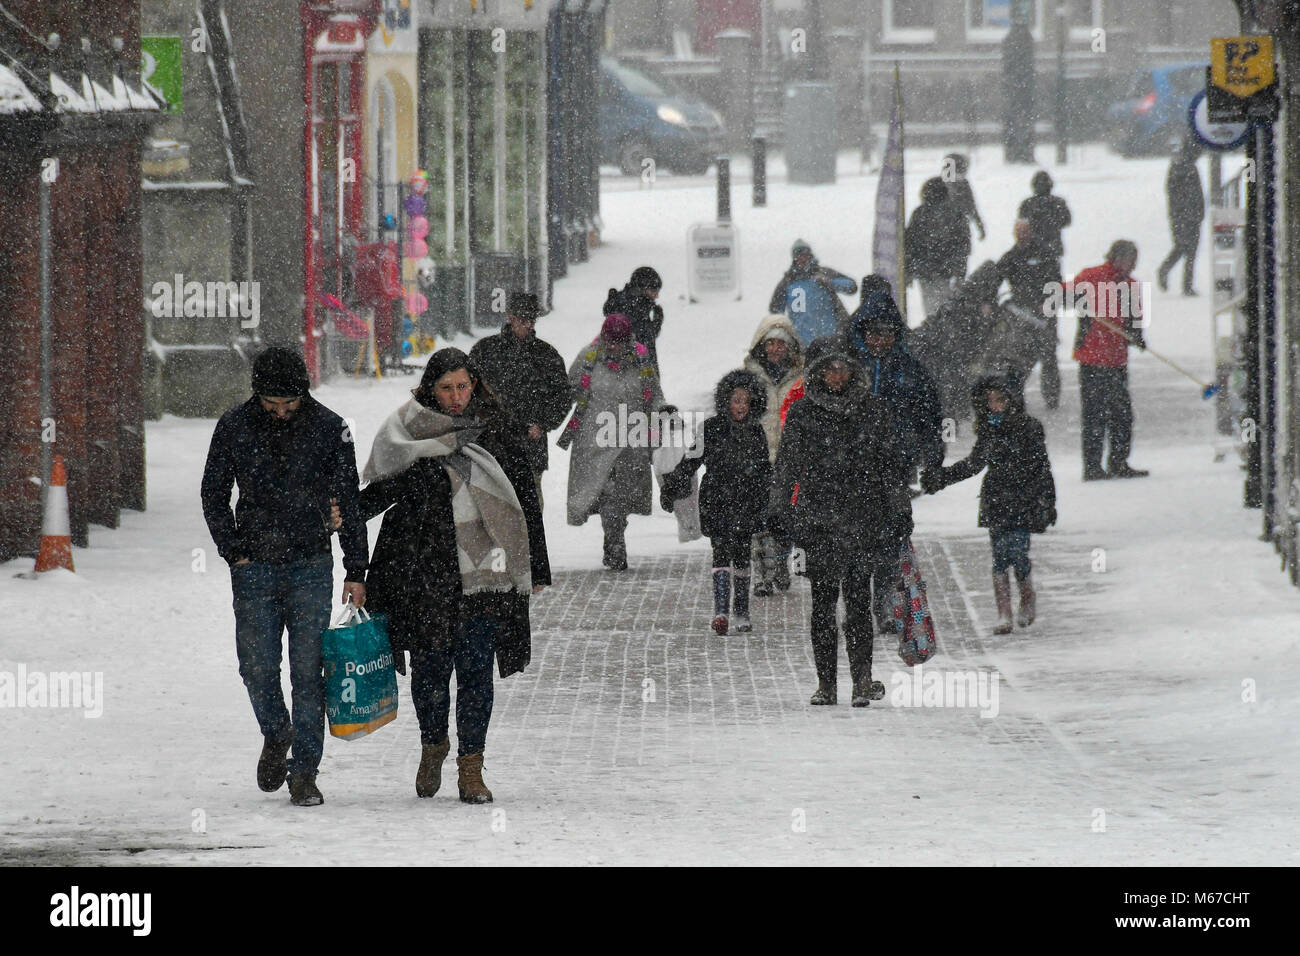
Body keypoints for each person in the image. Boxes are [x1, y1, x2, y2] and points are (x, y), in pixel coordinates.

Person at [358, 348, 549, 804]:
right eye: (447, 388)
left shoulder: (499, 434)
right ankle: (433, 745)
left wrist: (536, 566)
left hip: (485, 575)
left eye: (464, 386)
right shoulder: (410, 434)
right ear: (431, 389)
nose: (457, 396)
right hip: (424, 573)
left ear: (475, 385)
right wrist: (339, 513)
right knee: (429, 672)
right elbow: (382, 490)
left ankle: (471, 767)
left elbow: (524, 503)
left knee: (477, 671)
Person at [200, 346, 368, 808]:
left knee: (309, 673)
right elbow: (213, 491)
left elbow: (348, 501)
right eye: (271, 406)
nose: (280, 413)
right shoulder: (234, 426)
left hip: (311, 563)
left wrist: (357, 567)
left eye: (289, 406)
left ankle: (305, 771)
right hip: (254, 565)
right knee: (256, 666)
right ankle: (277, 732)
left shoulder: (330, 429)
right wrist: (233, 551)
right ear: (257, 397)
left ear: (304, 397)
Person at [767, 345, 911, 707]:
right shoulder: (802, 413)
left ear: (852, 371)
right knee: (823, 605)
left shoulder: (873, 410)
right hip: (819, 520)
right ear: (818, 373)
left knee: (859, 603)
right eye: (829, 370)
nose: (836, 376)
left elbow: (891, 466)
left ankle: (861, 680)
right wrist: (779, 509)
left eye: (842, 369)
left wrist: (899, 510)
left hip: (864, 518)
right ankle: (826, 683)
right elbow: (787, 465)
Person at [922, 376, 1056, 634]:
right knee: (999, 556)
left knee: (1018, 552)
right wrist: (943, 478)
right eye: (990, 401)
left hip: (1024, 498)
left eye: (1000, 400)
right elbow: (974, 464)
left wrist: (1047, 501)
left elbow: (1042, 466)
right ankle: (1003, 612)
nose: (996, 406)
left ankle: (1027, 597)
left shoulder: (1029, 427)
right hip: (997, 499)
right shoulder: (988, 430)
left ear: (1011, 401)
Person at [663, 369, 772, 635]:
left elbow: (763, 470)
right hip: (717, 499)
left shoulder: (756, 431)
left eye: (746, 401)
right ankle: (721, 610)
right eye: (736, 401)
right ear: (726, 402)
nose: (741, 407)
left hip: (746, 500)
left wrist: (770, 499)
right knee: (721, 551)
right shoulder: (710, 429)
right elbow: (691, 461)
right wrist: (672, 486)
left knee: (743, 554)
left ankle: (742, 611)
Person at [560, 313, 664, 571]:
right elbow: (565, 393)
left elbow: (655, 395)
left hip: (632, 441)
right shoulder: (588, 358)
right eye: (610, 340)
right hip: (595, 441)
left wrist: (665, 415)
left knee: (622, 496)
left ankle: (614, 534)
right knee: (608, 493)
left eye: (619, 341)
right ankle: (616, 543)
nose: (614, 346)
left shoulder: (641, 360)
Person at [469, 291, 572, 502]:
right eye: (524, 320)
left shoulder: (546, 355)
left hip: (529, 445)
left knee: (528, 507)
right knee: (490, 508)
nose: (529, 326)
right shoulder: (485, 351)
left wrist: (543, 424)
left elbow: (562, 395)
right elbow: (468, 393)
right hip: (491, 445)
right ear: (511, 318)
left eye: (532, 320)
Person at [1072, 239, 1149, 481]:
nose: (1133, 265)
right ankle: (1092, 467)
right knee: (1095, 415)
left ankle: (1118, 462)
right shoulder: (1092, 277)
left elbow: (1134, 321)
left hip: (1116, 361)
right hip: (1092, 359)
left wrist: (1138, 337)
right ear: (1116, 258)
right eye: (1130, 260)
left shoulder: (1131, 286)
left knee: (1122, 414)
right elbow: (1064, 295)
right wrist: (1080, 302)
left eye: (1135, 261)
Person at [742, 314, 804, 595]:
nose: (776, 349)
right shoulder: (748, 378)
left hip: (791, 459)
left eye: (782, 343)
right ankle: (761, 575)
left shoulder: (803, 377)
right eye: (771, 344)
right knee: (758, 518)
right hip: (758, 456)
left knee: (785, 518)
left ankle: (779, 565)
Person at [995, 219, 1063, 408]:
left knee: (1048, 355)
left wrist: (1047, 302)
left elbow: (1056, 281)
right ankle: (1015, 395)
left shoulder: (1045, 253)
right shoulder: (1011, 256)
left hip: (1044, 312)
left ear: (1031, 231)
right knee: (1020, 356)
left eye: (1024, 231)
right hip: (1021, 313)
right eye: (1018, 231)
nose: (1021, 235)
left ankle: (1051, 397)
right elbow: (996, 277)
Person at [767, 239, 858, 346]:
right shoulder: (787, 282)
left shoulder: (824, 273)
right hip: (803, 343)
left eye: (804, 254)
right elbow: (776, 311)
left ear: (810, 255)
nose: (802, 258)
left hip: (833, 339)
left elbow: (852, 287)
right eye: (798, 255)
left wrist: (831, 283)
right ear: (794, 259)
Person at [905, 177, 972, 317]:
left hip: (926, 270)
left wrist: (909, 269)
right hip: (948, 270)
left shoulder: (920, 213)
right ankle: (945, 330)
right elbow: (963, 244)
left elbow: (910, 243)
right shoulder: (956, 212)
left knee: (931, 308)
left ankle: (934, 329)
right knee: (949, 308)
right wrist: (959, 271)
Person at [1157, 140, 1205, 296]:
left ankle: (1187, 285)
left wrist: (1198, 211)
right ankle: (1166, 270)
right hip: (1182, 216)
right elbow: (1177, 193)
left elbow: (1196, 193)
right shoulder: (1181, 168)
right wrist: (1188, 211)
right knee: (1183, 247)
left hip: (1189, 215)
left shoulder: (1187, 166)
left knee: (1189, 250)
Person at [603, 266, 665, 371]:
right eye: (654, 290)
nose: (657, 295)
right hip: (634, 374)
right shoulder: (634, 307)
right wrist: (657, 322)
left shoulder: (632, 303)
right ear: (643, 289)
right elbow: (643, 341)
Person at [1017, 170, 1072, 262]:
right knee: (1052, 273)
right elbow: (1067, 221)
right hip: (1053, 247)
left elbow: (1021, 225)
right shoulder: (1058, 202)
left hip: (1031, 248)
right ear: (1050, 186)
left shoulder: (1027, 204)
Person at [944, 152, 986, 241]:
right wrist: (980, 227)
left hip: (944, 232)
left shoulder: (938, 184)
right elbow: (972, 207)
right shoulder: (962, 185)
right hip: (959, 231)